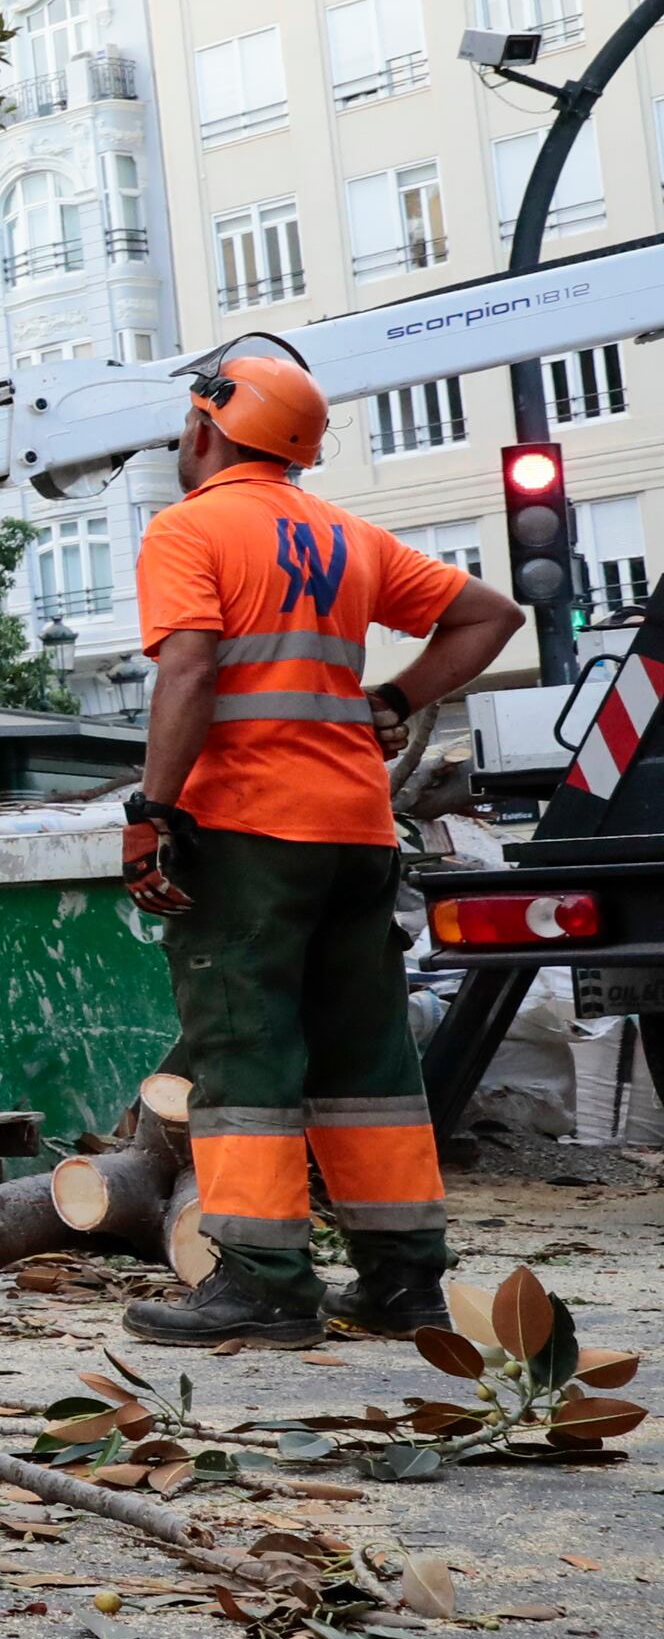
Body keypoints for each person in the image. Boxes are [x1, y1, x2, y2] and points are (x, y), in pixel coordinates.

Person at [118, 341, 525, 1345]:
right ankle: (401, 1283)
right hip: (355, 829)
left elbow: (187, 675)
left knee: (243, 1047)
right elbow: (490, 614)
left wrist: (151, 812)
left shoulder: (188, 529)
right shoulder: (345, 538)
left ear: (206, 427)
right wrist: (392, 696)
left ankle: (261, 1283)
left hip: (249, 831)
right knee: (364, 1059)